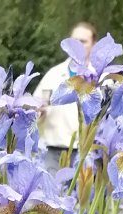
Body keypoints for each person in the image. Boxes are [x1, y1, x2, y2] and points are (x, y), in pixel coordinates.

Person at [33, 22, 98, 173]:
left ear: (94, 45)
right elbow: (37, 105)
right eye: (74, 40)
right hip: (54, 150)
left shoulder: (101, 78)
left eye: (83, 41)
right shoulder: (54, 74)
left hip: (87, 153)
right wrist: (38, 111)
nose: (78, 45)